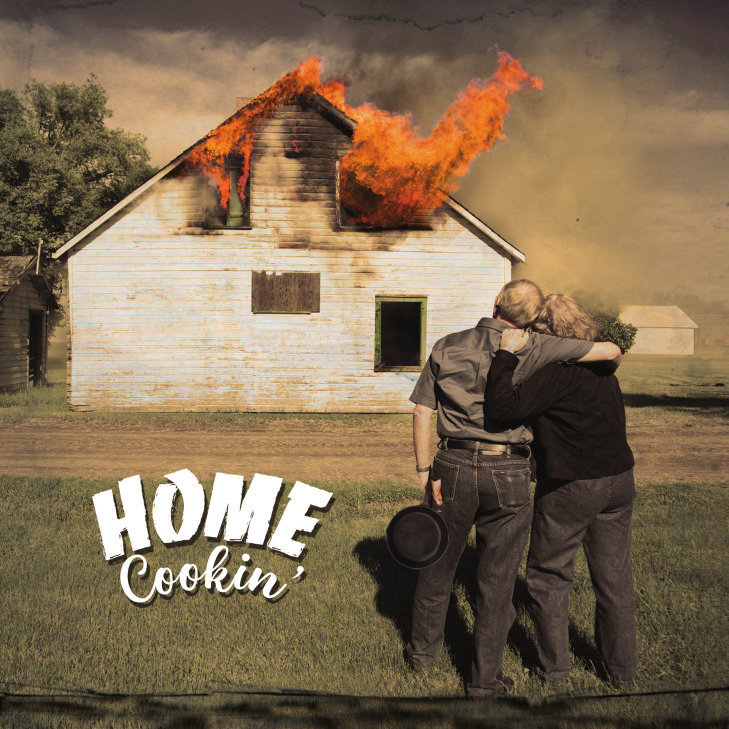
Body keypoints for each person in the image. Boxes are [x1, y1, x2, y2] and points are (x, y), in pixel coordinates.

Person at [406, 279, 622, 698]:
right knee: (498, 580)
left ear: (495, 304)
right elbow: (609, 351)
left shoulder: (447, 345)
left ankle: (421, 658)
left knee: (437, 566)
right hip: (508, 468)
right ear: (532, 318)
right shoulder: (539, 346)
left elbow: (421, 411)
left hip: (451, 463)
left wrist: (423, 469)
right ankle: (484, 680)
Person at [485, 293, 637, 686]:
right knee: (615, 580)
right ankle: (622, 672)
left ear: (544, 331)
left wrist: (505, 357)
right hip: (620, 480)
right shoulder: (604, 369)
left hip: (573, 484)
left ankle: (553, 671)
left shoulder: (556, 372)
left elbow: (501, 409)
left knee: (548, 576)